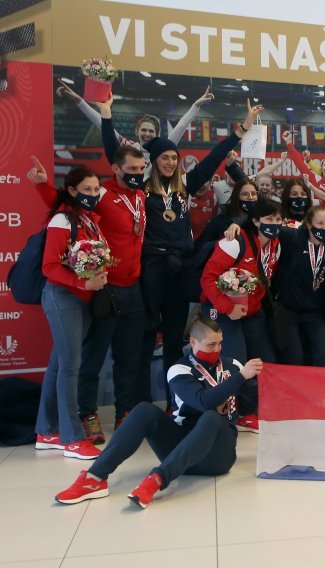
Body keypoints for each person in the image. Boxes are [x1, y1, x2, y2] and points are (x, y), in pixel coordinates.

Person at [95, 97, 264, 414]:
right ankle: (138, 407)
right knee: (145, 339)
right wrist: (106, 117)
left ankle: (179, 402)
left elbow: (214, 159)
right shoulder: (142, 187)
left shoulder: (186, 185)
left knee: (174, 338)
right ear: (154, 160)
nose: (171, 162)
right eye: (164, 158)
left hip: (179, 268)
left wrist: (242, 127)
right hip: (151, 268)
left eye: (174, 157)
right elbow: (113, 155)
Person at [54, 315, 262, 508]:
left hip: (217, 457)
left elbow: (259, 396)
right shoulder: (180, 370)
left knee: (212, 418)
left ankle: (156, 480)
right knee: (144, 410)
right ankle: (94, 478)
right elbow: (204, 401)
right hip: (179, 449)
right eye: (211, 344)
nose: (217, 349)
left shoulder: (233, 366)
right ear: (193, 342)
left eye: (220, 343)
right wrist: (241, 376)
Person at [31, 147, 147, 444]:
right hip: (102, 290)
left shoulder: (139, 196)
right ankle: (86, 415)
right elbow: (62, 210)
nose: (137, 174)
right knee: (89, 359)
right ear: (117, 169)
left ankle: (125, 412)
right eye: (131, 169)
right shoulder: (101, 196)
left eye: (140, 169)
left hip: (132, 287)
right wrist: (43, 185)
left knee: (128, 357)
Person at [34, 166, 107, 460]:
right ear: (73, 191)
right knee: (70, 367)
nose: (92, 195)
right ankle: (72, 438)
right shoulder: (63, 219)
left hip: (82, 298)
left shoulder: (86, 219)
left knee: (59, 365)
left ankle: (47, 431)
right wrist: (82, 281)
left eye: (95, 190)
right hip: (63, 296)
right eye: (86, 190)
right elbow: (49, 266)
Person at [200, 197, 279, 431]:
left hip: (252, 312)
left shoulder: (276, 243)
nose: (274, 224)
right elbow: (207, 278)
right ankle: (241, 412)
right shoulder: (234, 242)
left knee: (265, 360)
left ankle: (258, 409)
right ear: (255, 221)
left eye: (277, 219)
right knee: (236, 361)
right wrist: (228, 308)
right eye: (268, 219)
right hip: (224, 311)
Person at [56, 81, 214, 167]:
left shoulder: (163, 149)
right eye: (144, 130)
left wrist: (196, 106)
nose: (147, 134)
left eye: (151, 131)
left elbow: (181, 126)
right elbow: (102, 124)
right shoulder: (128, 147)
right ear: (137, 131)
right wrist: (79, 101)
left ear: (157, 134)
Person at [271, 205, 325, 366]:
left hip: (314, 313)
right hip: (289, 311)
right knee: (295, 358)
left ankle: (322, 391)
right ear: (308, 224)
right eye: (320, 223)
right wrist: (236, 223)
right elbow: (264, 223)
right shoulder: (292, 238)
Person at [283, 131, 325, 210]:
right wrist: (289, 142)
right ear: (321, 169)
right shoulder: (315, 179)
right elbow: (299, 163)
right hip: (317, 217)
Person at [196, 178, 259, 246]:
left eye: (253, 194)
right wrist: (222, 245)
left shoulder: (260, 218)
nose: (250, 197)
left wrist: (236, 223)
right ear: (237, 196)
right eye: (245, 194)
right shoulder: (221, 220)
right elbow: (201, 245)